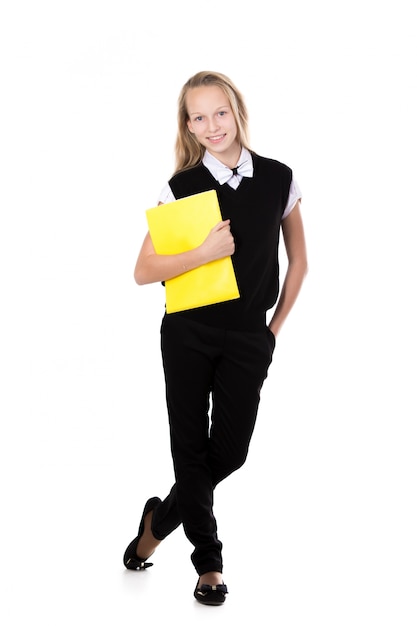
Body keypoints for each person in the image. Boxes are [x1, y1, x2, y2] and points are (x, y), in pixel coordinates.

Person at [123, 70, 308, 605]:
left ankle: (156, 523)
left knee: (228, 452)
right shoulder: (180, 186)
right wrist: (202, 254)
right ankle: (209, 563)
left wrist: (272, 331)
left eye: (219, 112)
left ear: (237, 111)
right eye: (198, 117)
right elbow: (143, 269)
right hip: (187, 332)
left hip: (250, 336)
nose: (211, 125)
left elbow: (299, 263)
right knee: (189, 447)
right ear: (188, 125)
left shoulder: (278, 178)